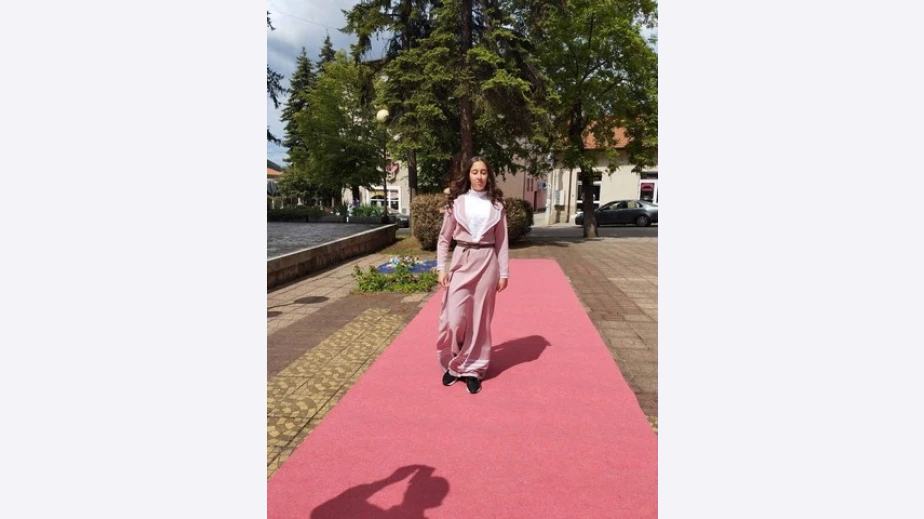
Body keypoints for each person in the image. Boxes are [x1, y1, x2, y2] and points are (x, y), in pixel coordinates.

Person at [435, 156, 509, 394]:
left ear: (489, 176)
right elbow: (444, 239)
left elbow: (502, 241)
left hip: (487, 262)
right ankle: (457, 359)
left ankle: (472, 369)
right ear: (468, 174)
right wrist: (441, 268)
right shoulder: (456, 203)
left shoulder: (497, 205)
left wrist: (504, 273)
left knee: (479, 320)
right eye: (475, 172)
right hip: (462, 259)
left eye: (483, 172)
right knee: (455, 319)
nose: (479, 176)